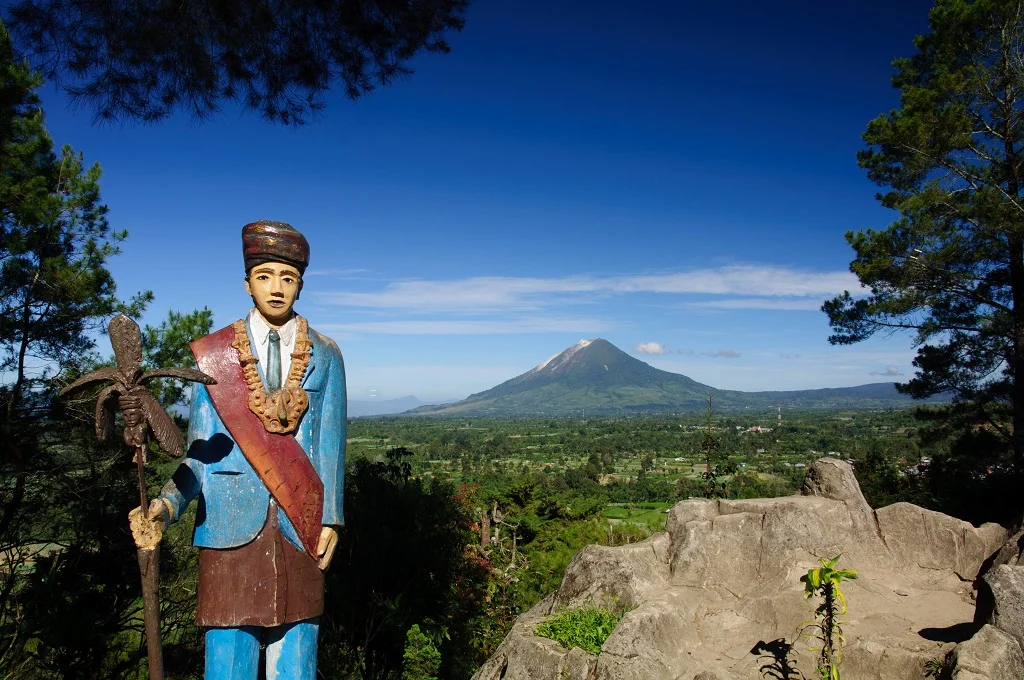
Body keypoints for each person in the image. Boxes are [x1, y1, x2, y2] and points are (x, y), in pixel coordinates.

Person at [129, 219, 346, 680]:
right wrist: (166, 507)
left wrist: (330, 517)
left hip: (300, 523)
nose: (275, 288)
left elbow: (330, 445)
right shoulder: (216, 357)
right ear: (247, 283)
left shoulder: (326, 355)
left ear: (300, 286)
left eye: (287, 278)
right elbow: (199, 453)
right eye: (265, 276)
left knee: (298, 661)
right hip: (228, 530)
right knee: (228, 662)